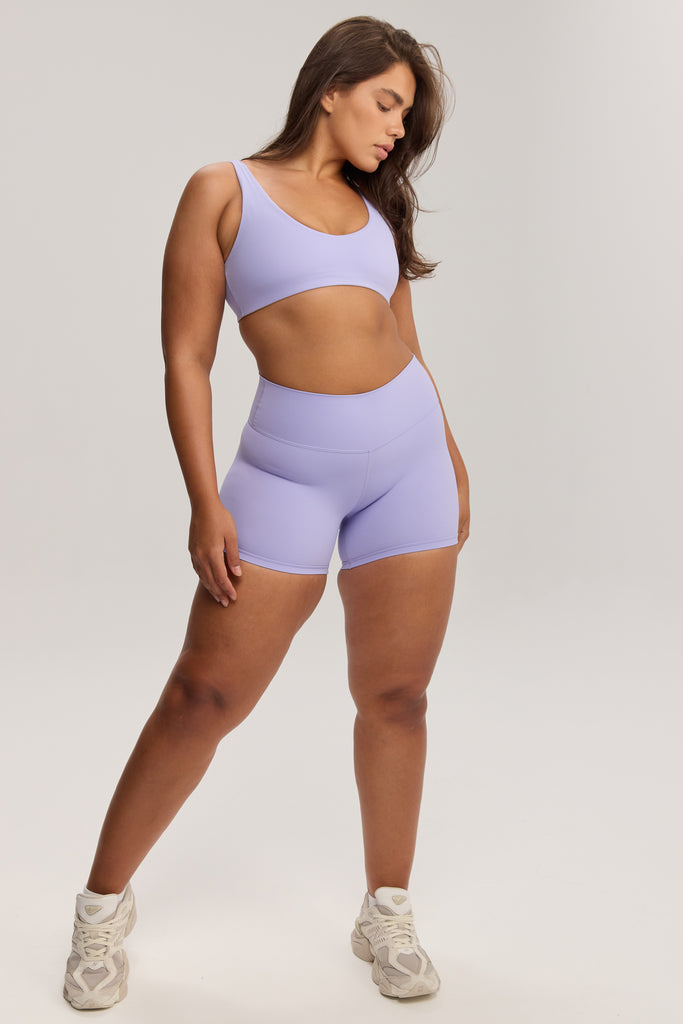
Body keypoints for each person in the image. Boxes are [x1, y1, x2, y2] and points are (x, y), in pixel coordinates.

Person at [63, 14, 470, 1009]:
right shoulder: (224, 190)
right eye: (387, 103)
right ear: (331, 87)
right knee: (202, 696)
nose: (396, 130)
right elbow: (186, 356)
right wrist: (204, 500)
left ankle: (385, 910)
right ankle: (99, 910)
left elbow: (404, 342)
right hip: (286, 475)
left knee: (397, 696)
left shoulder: (374, 213)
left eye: (406, 118)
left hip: (408, 467)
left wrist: (452, 459)